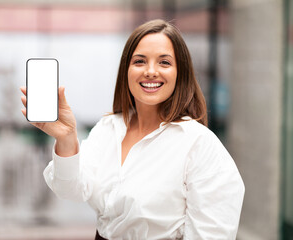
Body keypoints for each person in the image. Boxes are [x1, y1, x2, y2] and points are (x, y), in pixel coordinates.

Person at [20, 19, 245, 240]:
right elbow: (71, 189)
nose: (150, 71)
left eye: (164, 62)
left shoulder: (198, 143)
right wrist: (67, 138)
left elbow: (212, 233)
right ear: (126, 70)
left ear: (180, 73)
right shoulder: (108, 129)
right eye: (140, 61)